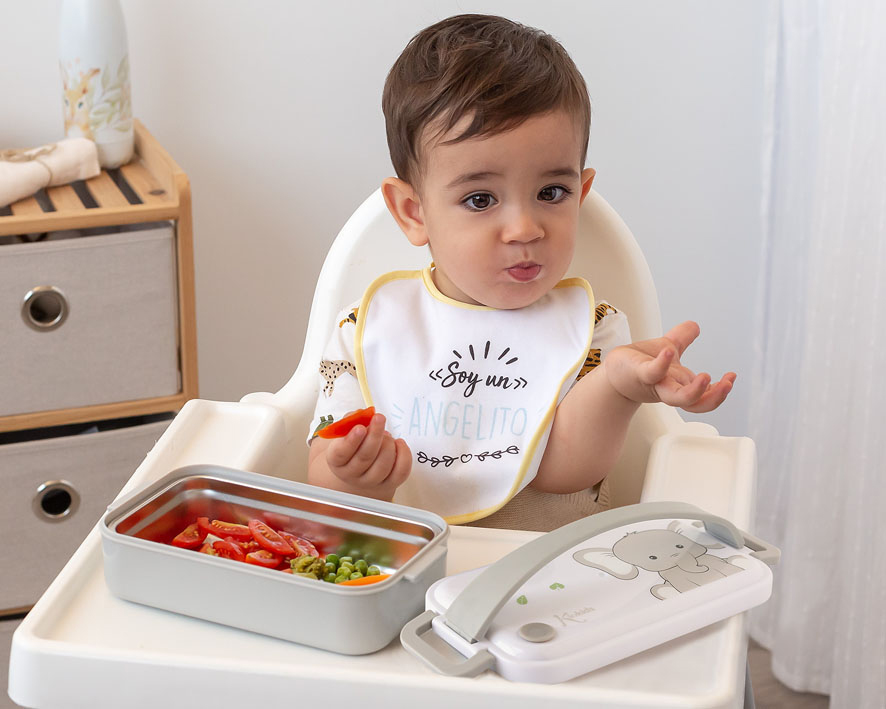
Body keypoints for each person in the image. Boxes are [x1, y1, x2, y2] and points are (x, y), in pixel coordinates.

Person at [306, 14, 735, 531]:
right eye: (480, 199)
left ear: (582, 191)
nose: (525, 228)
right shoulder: (366, 329)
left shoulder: (594, 328)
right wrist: (353, 479)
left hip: (551, 576)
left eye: (552, 193)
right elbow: (321, 478)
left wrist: (617, 387)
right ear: (414, 213)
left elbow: (564, 472)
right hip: (407, 575)